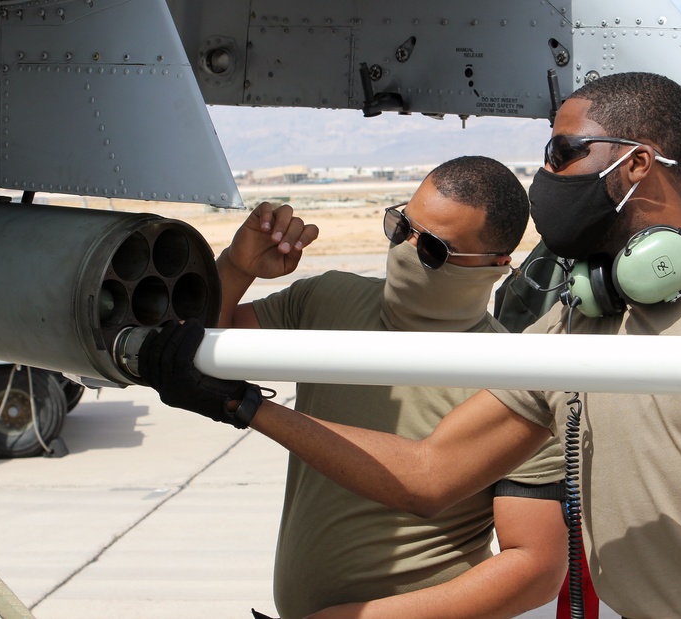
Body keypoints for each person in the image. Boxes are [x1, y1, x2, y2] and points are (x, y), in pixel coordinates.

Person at [143, 73, 681, 618]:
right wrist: (244, 406)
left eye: (562, 151)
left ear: (636, 163)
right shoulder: (571, 328)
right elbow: (430, 473)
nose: (544, 173)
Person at [209, 156, 567, 618]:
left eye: (433, 249)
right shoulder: (326, 301)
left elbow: (534, 567)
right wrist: (237, 267)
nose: (404, 248)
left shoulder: (514, 382)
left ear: (496, 264)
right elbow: (199, 351)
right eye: (400, 226)